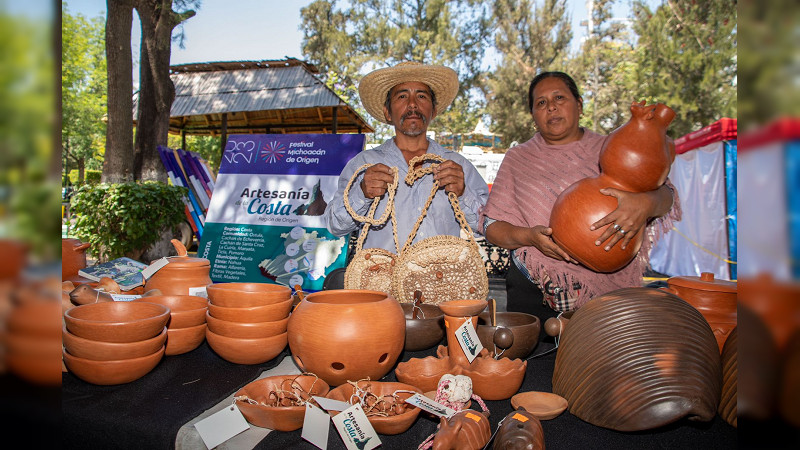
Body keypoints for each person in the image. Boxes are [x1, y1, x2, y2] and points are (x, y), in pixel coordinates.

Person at [481, 71, 680, 324]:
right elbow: (492, 226)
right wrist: (530, 237)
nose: (551, 107)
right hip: (534, 291)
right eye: (540, 103)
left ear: (580, 105)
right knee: (536, 363)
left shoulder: (612, 147)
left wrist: (645, 204)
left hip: (609, 292)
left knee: (598, 361)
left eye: (559, 97)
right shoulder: (518, 159)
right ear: (533, 115)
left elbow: (667, 194)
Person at [325, 61, 489, 257]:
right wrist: (361, 193)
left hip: (441, 283)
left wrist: (463, 193)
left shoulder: (457, 166)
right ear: (387, 112)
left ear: (433, 111)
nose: (412, 104)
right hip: (382, 282)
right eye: (402, 96)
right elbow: (334, 225)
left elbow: (486, 228)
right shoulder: (363, 164)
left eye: (421, 96)